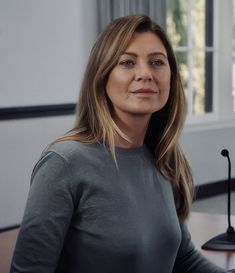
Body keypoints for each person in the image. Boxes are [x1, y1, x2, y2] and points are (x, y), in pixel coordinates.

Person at [10, 15, 228, 273]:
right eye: (127, 62)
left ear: (171, 76)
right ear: (102, 76)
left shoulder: (161, 156)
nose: (145, 74)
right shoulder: (64, 162)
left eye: (157, 62)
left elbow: (184, 259)